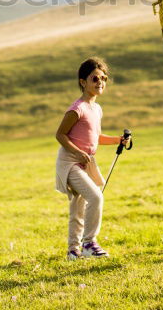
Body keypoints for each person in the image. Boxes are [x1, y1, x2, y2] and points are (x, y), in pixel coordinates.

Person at [54, 57, 130, 260]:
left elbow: (95, 137)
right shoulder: (77, 109)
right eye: (95, 78)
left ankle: (73, 250)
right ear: (83, 82)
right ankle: (89, 243)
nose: (100, 83)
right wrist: (77, 152)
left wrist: (118, 140)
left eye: (103, 78)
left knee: (78, 207)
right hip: (70, 163)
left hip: (85, 162)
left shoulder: (96, 109)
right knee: (96, 197)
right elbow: (60, 135)